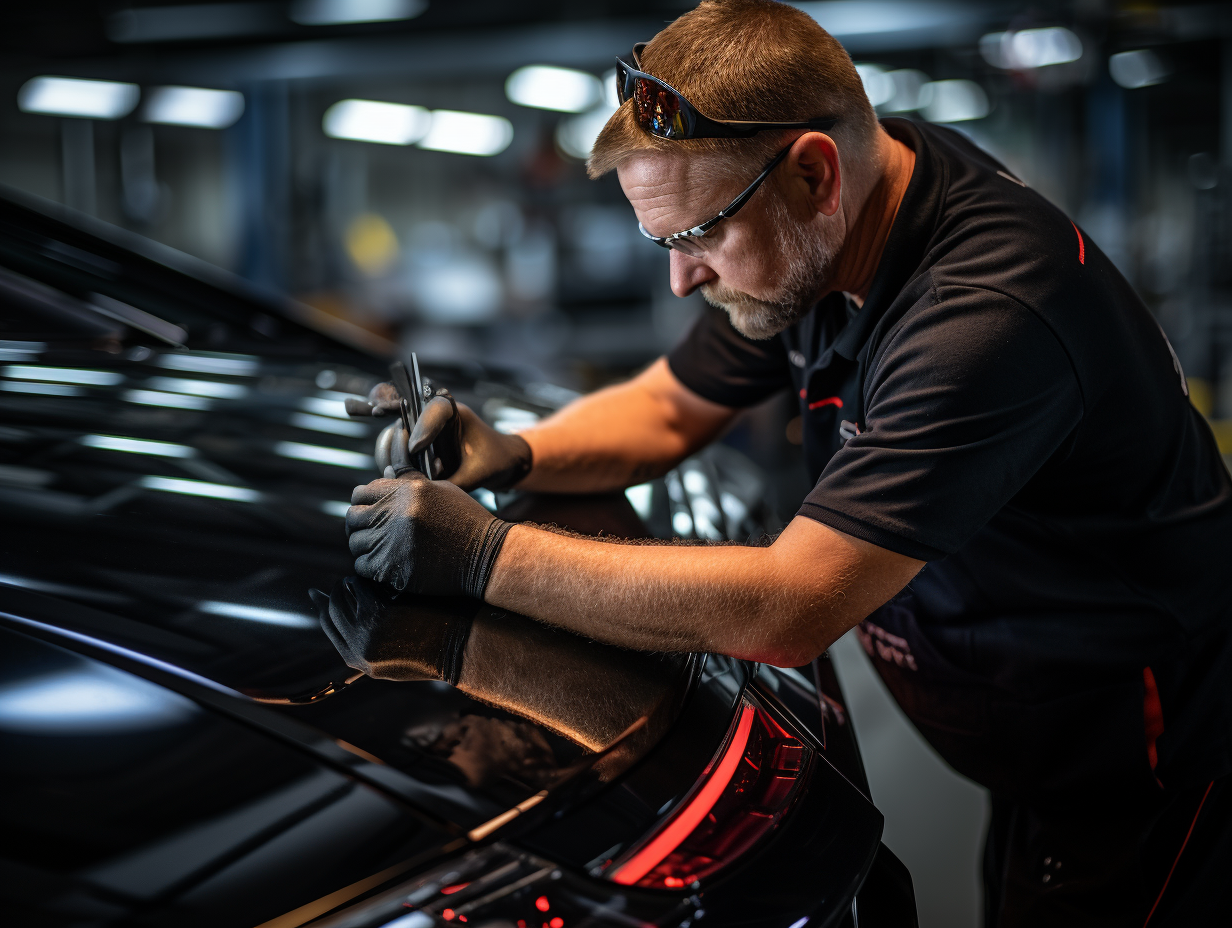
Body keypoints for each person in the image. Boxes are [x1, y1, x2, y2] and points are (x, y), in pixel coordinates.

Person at [339, 1, 1232, 924]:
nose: (682, 280)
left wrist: (483, 557)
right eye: (664, 241)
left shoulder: (988, 314)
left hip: (1144, 772)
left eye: (698, 237)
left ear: (815, 172)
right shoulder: (837, 221)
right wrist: (513, 452)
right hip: (1038, 739)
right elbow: (667, 405)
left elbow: (786, 606)